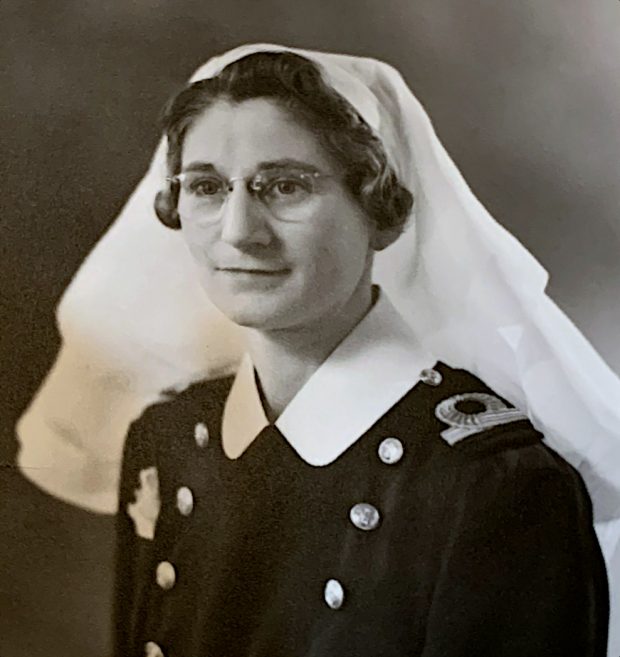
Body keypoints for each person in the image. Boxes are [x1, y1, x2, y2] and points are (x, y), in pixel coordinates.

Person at [16, 45, 620, 655]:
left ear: (381, 212)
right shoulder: (169, 439)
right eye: (206, 187)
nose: (238, 232)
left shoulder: (492, 484)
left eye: (283, 186)